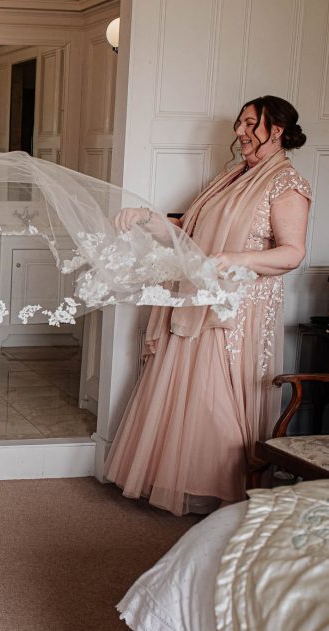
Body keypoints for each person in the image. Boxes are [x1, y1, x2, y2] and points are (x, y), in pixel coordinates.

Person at [105, 95, 311, 516]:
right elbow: (190, 235)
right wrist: (148, 219)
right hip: (200, 296)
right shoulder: (232, 174)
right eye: (239, 123)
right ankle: (177, 481)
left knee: (217, 396)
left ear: (276, 130)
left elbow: (291, 254)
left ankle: (223, 489)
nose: (239, 131)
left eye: (250, 123)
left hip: (240, 306)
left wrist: (235, 260)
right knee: (188, 392)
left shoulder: (287, 183)